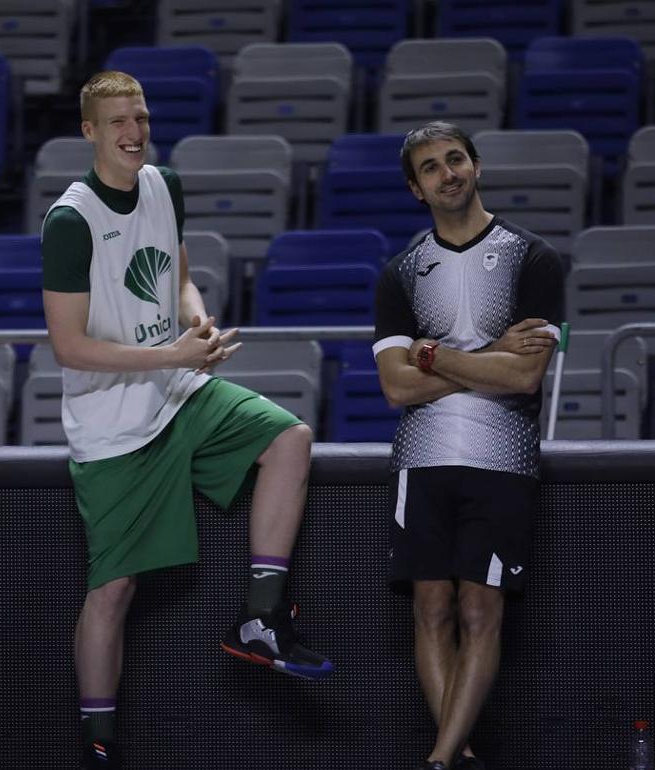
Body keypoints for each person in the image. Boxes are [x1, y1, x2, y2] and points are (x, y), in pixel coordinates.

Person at [40, 70, 334, 769]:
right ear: (89, 132)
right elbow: (68, 346)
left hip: (175, 393)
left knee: (289, 439)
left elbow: (177, 278)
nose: (134, 132)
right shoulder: (70, 220)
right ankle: (98, 745)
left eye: (140, 117)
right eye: (117, 122)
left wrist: (197, 323)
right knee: (112, 591)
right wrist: (171, 350)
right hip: (110, 420)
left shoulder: (164, 183)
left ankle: (260, 619)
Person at [373, 121, 565, 770]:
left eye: (455, 159)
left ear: (477, 166)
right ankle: (457, 759)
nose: (447, 172)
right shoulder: (401, 272)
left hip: (501, 457)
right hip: (420, 460)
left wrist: (430, 355)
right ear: (415, 189)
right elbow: (396, 390)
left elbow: (523, 376)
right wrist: (480, 355)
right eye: (431, 167)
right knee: (432, 608)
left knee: (480, 610)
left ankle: (438, 761)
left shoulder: (532, 258)